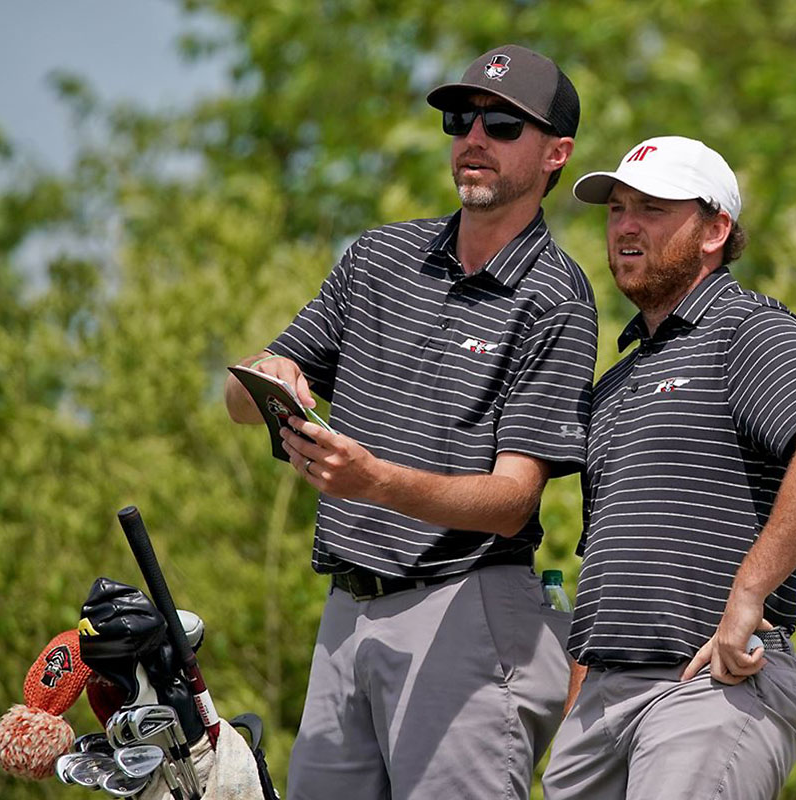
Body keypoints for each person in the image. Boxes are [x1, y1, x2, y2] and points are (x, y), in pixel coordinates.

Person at [224, 45, 597, 800]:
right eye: (461, 118)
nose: (474, 137)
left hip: (467, 611)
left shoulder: (556, 298)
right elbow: (241, 399)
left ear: (556, 154)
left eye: (502, 124)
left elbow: (512, 500)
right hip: (344, 616)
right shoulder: (376, 257)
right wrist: (270, 377)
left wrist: (375, 482)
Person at [542, 136, 796, 800]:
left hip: (707, 688)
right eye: (617, 209)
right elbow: (605, 559)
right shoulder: (615, 381)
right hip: (600, 707)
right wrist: (579, 699)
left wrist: (748, 596)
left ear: (716, 228)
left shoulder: (747, 328)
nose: (627, 226)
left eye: (653, 209)